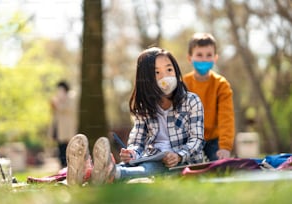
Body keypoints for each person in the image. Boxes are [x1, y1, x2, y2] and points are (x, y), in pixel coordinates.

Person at [66, 47, 205, 185]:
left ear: (176, 70)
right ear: (146, 80)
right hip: (153, 158)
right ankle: (88, 173)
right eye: (157, 72)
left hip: (184, 163)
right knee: (140, 165)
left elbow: (197, 139)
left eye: (169, 69)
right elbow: (138, 142)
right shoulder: (145, 106)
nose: (165, 77)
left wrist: (179, 156)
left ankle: (111, 173)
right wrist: (131, 153)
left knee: (149, 168)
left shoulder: (191, 101)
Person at [183, 33, 235, 161]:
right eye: (199, 55)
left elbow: (226, 117)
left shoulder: (221, 85)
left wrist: (225, 147)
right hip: (189, 138)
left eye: (209, 55)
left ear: (215, 58)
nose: (204, 59)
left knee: (220, 165)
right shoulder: (183, 84)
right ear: (190, 58)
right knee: (185, 168)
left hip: (214, 140)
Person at [49, 80, 77, 168]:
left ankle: (69, 166)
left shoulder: (71, 96)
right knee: (61, 147)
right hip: (59, 128)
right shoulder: (58, 98)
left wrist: (58, 104)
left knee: (68, 147)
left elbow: (68, 108)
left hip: (68, 128)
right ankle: (62, 166)